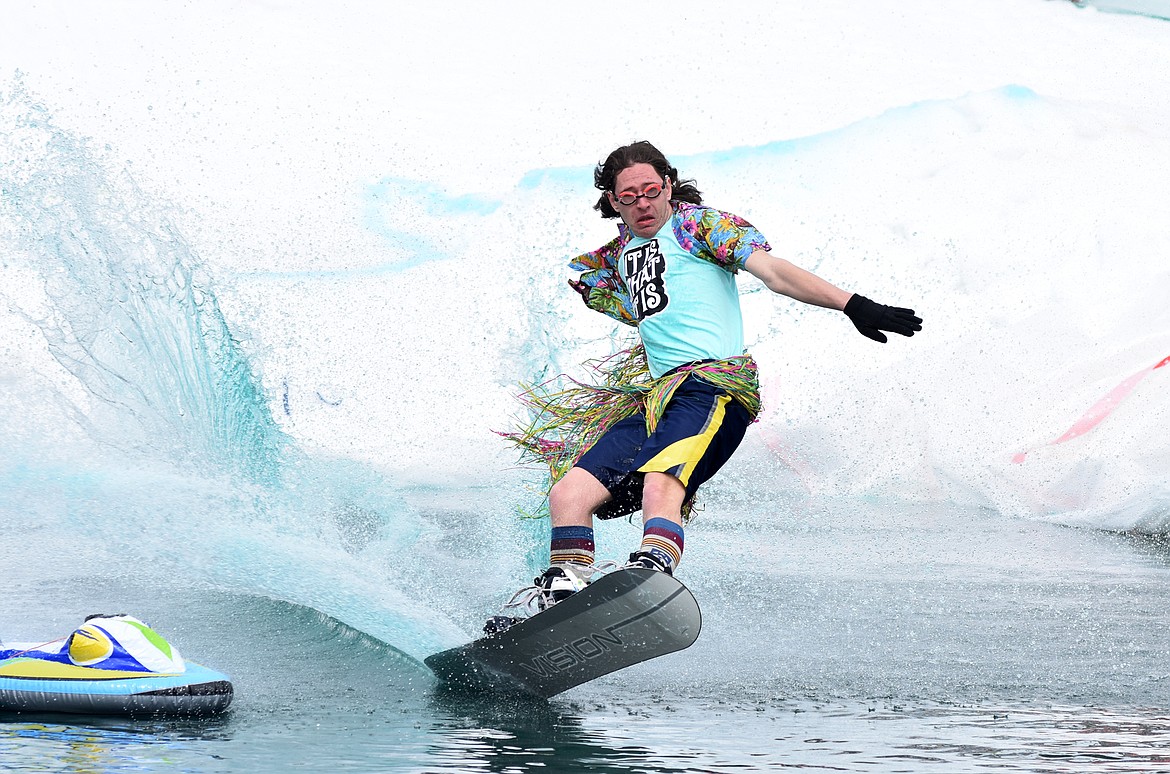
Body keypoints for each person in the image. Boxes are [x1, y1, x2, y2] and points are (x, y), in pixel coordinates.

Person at [492, 141, 921, 627]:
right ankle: (563, 597)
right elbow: (635, 301)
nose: (642, 204)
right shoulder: (616, 257)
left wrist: (852, 304)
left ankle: (649, 575)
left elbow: (775, 274)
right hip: (658, 400)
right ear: (612, 202)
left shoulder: (699, 228)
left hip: (714, 389)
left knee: (662, 481)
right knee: (568, 492)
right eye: (628, 196)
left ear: (669, 186)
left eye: (651, 190)